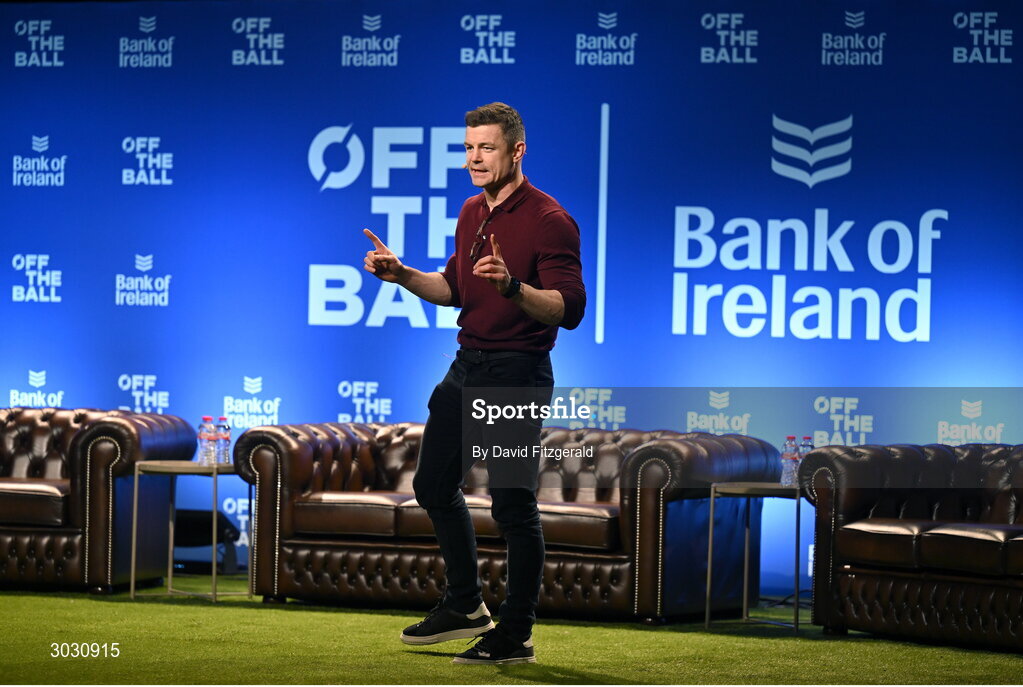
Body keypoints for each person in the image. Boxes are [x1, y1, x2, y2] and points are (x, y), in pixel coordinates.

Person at [362, 102, 585, 665]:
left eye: (486, 148)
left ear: (517, 150)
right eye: (468, 148)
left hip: (515, 374)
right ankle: (465, 605)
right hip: (467, 366)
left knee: (512, 506)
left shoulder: (549, 219)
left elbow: (569, 308)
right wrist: (402, 274)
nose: (475, 159)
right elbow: (454, 288)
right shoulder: (470, 211)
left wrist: (513, 287)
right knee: (433, 486)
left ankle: (516, 634)